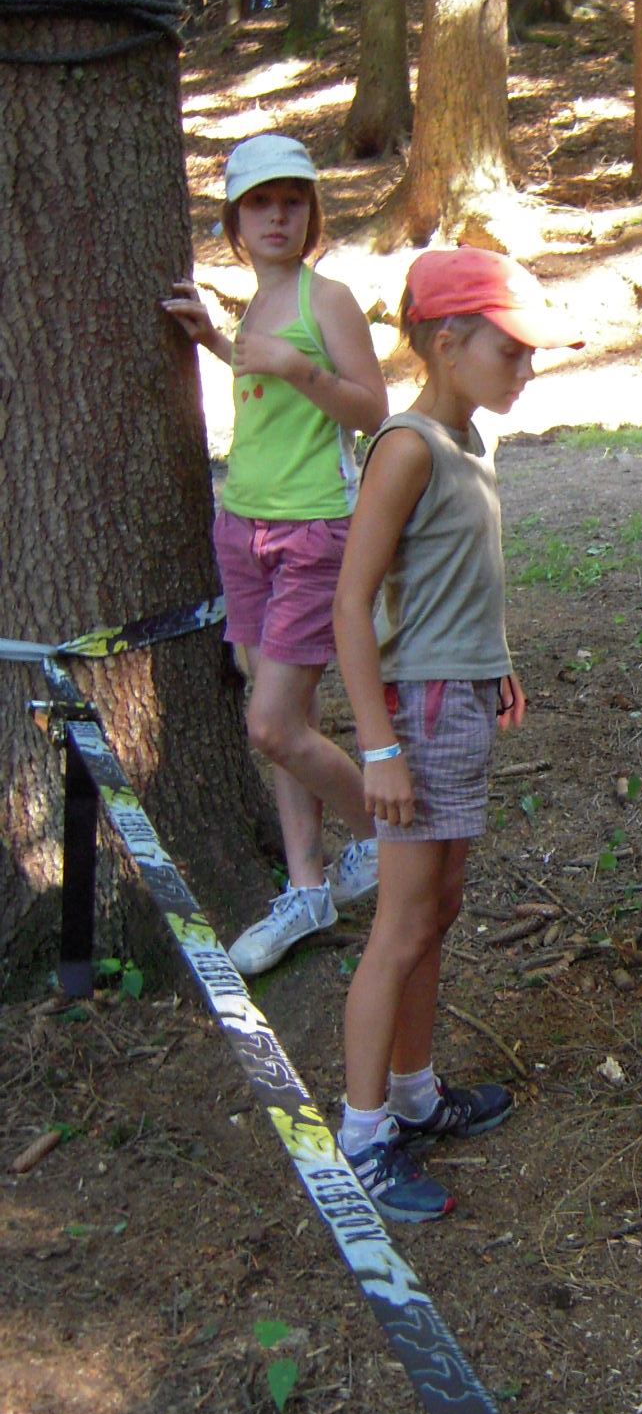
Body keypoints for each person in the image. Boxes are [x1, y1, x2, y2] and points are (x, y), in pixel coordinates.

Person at [330, 248, 573, 1222]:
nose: (527, 369)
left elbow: (458, 579)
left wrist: (495, 657)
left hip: (461, 695)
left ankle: (415, 1091)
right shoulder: (408, 447)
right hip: (420, 711)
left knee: (440, 906)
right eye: (510, 351)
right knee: (400, 924)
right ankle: (363, 1134)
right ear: (446, 342)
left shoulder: (469, 440)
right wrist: (378, 746)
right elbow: (352, 604)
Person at [164, 135, 388, 975]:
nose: (278, 217)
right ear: (235, 220)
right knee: (288, 722)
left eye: (293, 202)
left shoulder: (326, 300)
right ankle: (308, 888)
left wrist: (296, 366)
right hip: (242, 527)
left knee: (270, 724)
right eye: (260, 203)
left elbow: (373, 410)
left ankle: (386, 832)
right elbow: (266, 387)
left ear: (312, 214)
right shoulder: (256, 303)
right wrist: (220, 346)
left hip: (312, 533)